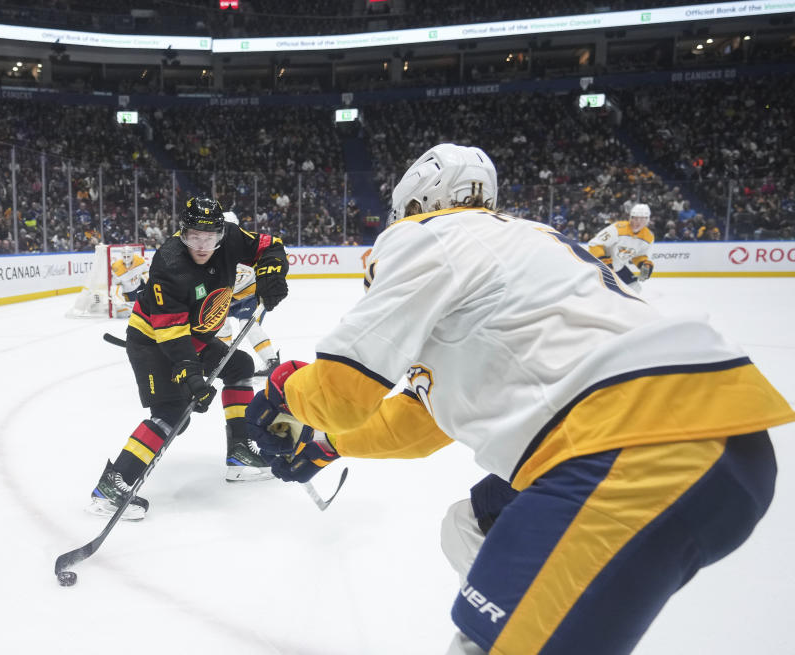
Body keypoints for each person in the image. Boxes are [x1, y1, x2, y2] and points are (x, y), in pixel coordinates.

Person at [245, 143, 794, 655]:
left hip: (630, 448)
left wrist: (283, 391)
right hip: (725, 452)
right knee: (473, 523)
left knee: (492, 642)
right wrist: (329, 446)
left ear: (418, 203)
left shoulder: (429, 236)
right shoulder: (525, 248)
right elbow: (416, 423)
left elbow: (341, 392)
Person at [89, 197, 289, 520]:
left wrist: (271, 274)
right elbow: (171, 334)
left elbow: (271, 247)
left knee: (241, 366)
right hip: (152, 340)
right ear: (182, 233)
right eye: (194, 236)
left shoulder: (233, 239)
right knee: (172, 414)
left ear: (221, 235)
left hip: (193, 338)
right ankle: (113, 484)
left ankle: (239, 452)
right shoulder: (169, 263)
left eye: (209, 238)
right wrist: (191, 376)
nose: (201, 245)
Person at [217, 212, 281, 377]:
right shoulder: (212, 249)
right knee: (220, 326)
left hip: (250, 297)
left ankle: (272, 361)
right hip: (225, 298)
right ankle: (223, 360)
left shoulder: (249, 244)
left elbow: (278, 253)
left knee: (249, 326)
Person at [587, 203, 655, 293]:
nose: (638, 222)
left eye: (642, 219)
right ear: (630, 218)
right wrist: (604, 263)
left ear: (647, 220)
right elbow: (594, 244)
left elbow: (639, 256)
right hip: (600, 268)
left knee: (635, 289)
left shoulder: (648, 236)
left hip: (618, 268)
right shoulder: (618, 228)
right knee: (600, 292)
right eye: (635, 218)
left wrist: (645, 265)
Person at [109, 245, 148, 318]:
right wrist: (119, 300)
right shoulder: (116, 267)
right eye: (124, 256)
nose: (126, 259)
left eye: (128, 256)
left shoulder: (140, 261)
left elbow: (146, 273)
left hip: (139, 286)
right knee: (131, 310)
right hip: (128, 292)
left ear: (132, 255)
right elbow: (116, 286)